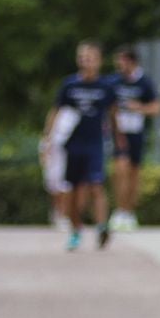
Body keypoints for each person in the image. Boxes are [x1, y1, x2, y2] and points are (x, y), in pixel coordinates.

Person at [48, 41, 118, 251]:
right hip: (72, 145)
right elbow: (56, 111)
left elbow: (113, 114)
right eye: (83, 58)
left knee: (96, 185)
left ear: (99, 61)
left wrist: (118, 139)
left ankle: (102, 226)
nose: (86, 62)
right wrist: (49, 138)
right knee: (73, 191)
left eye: (90, 58)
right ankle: (75, 230)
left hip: (94, 144)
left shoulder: (105, 87)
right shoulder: (69, 85)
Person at [107, 48, 160, 231]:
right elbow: (108, 106)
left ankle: (129, 212)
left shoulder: (145, 82)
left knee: (133, 174)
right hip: (119, 133)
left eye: (122, 62)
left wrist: (138, 108)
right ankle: (119, 210)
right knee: (119, 170)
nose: (119, 66)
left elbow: (157, 108)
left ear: (132, 62)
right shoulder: (114, 82)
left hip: (137, 133)